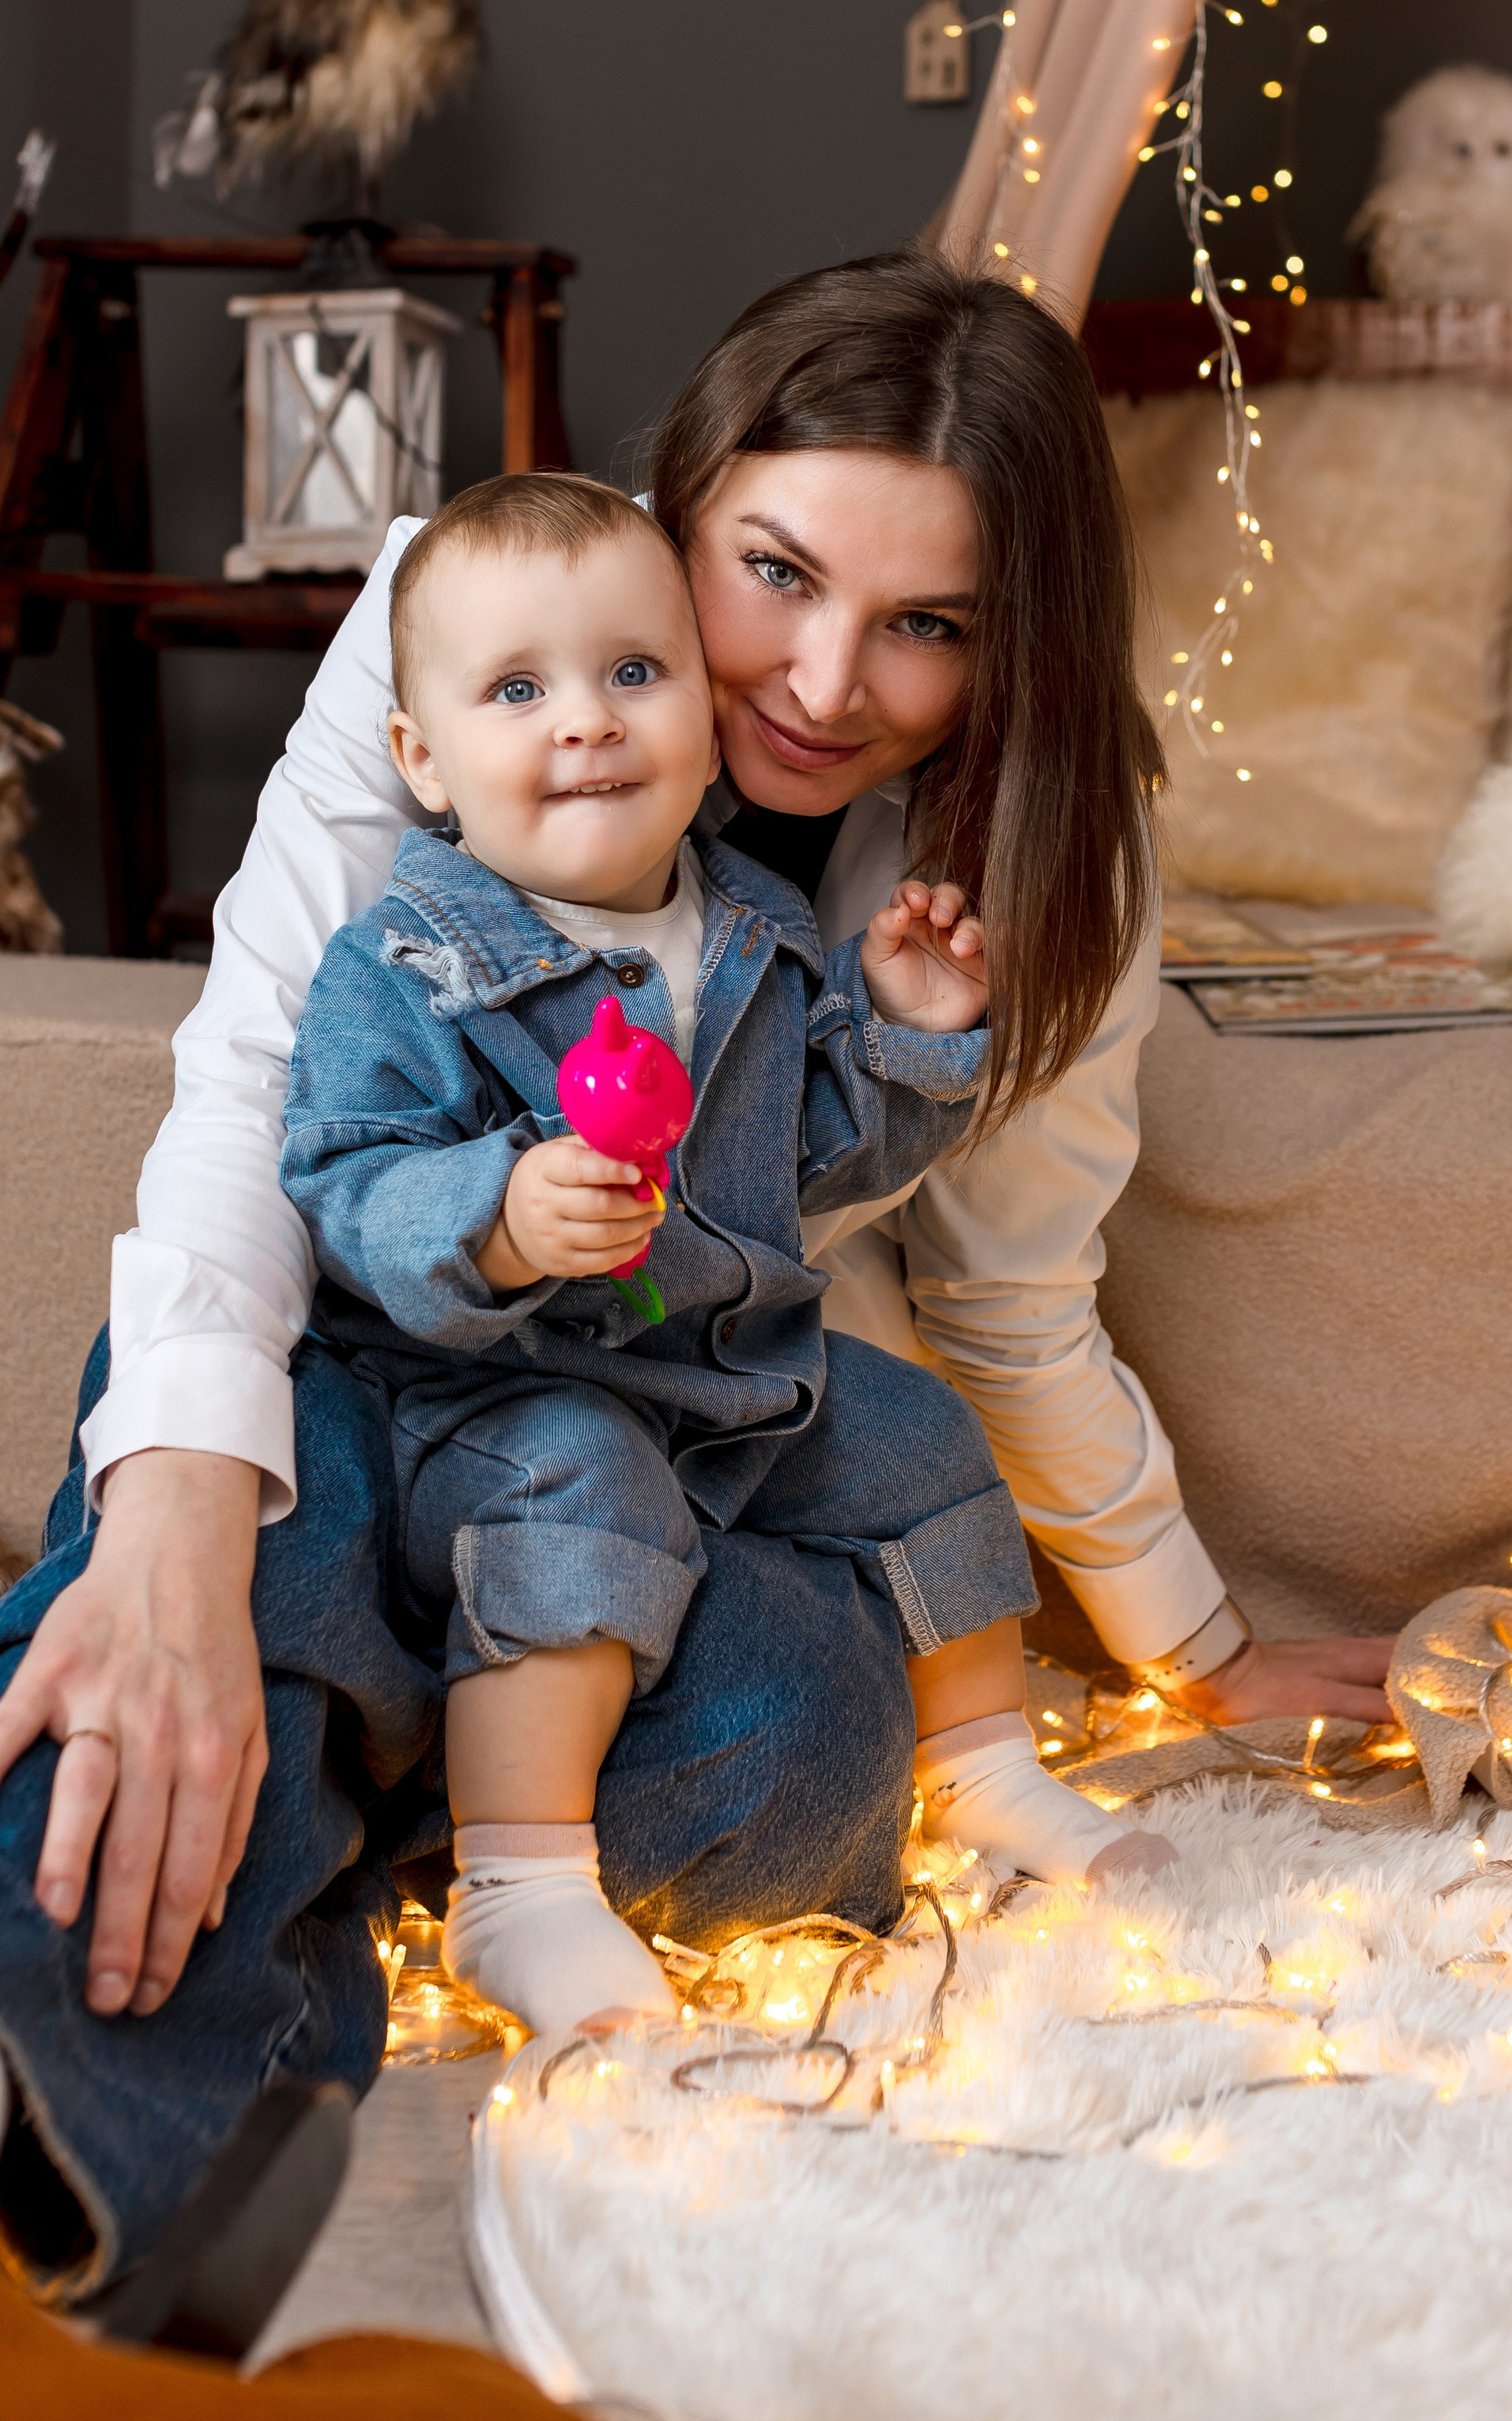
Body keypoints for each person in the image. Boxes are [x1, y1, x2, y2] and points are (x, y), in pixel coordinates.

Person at [0, 247, 1393, 2315]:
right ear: (682, 505)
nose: (823, 682)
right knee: (207, 1610)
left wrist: (1194, 1643)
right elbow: (259, 1099)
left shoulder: (1038, 855)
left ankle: (336, 1796)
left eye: (926, 626)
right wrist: (165, 1525)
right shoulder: (486, 622)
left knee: (808, 1741)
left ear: (1013, 645)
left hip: (669, 1442)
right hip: (373, 1360)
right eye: (771, 573)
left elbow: (1005, 1299)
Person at [281, 469, 1169, 2041]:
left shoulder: (754, 929)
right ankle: (521, 1886)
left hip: (724, 1371)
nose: (585, 722)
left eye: (634, 672)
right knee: (578, 1486)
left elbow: (821, 1152)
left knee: (910, 1426)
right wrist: (492, 1214)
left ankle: (981, 1775)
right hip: (503, 1394)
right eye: (514, 690)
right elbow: (346, 1177)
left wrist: (901, 1032)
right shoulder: (412, 955)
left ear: (705, 708)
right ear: (422, 757)